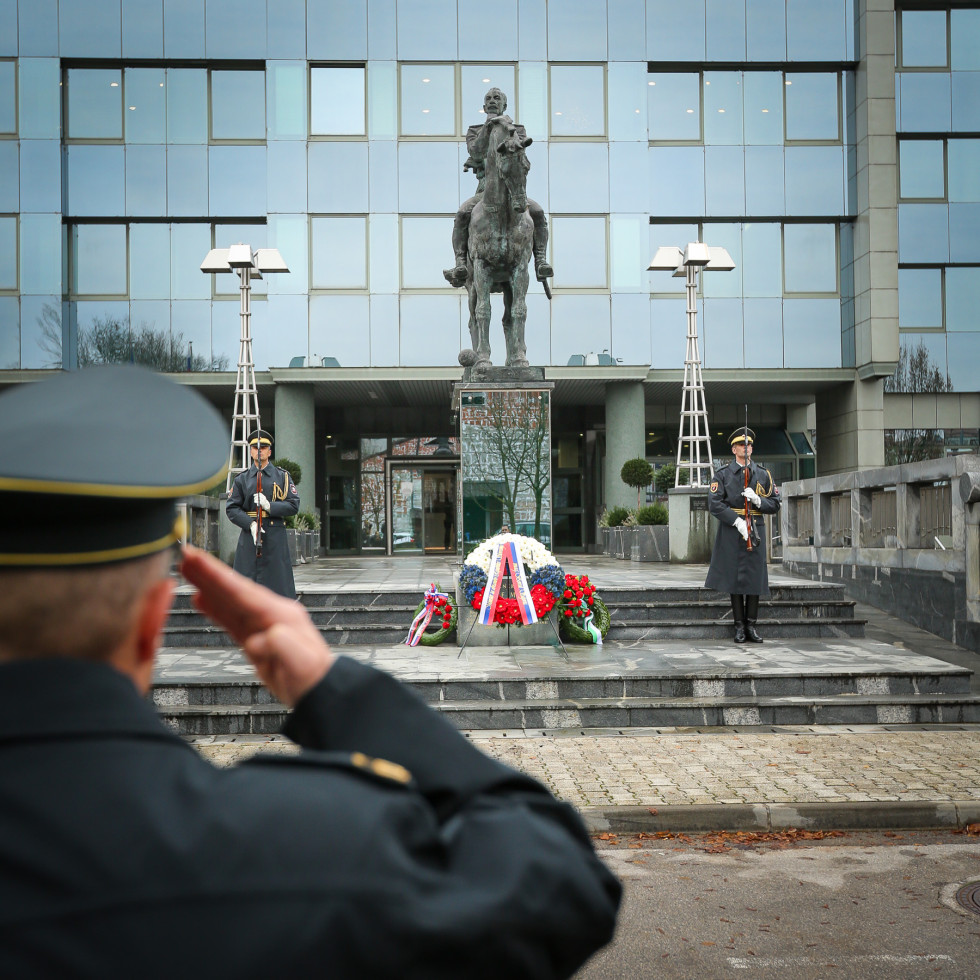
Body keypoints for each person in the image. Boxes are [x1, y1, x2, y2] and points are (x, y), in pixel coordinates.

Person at [0, 365, 620, 977]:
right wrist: (335, 689)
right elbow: (562, 882)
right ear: (152, 622)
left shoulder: (279, 478)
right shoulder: (297, 843)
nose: (263, 450)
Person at [444, 87, 554, 288]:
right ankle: (460, 264)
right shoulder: (475, 130)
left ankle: (540, 260)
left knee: (537, 212)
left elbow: (518, 152)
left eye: (497, 98)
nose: (493, 100)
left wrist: (506, 127)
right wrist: (489, 127)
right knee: (462, 214)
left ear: (505, 105)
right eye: (489, 98)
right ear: (484, 106)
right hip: (485, 191)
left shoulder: (517, 129)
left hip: (512, 189)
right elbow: (476, 152)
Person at [705, 427, 781, 643]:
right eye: (741, 445)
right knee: (735, 579)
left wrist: (758, 500)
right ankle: (738, 626)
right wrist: (736, 521)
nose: (746, 448)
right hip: (732, 530)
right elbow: (714, 503)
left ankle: (751, 626)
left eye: (748, 445)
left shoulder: (763, 474)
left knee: (754, 578)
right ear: (734, 449)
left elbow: (775, 503)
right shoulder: (723, 475)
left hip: (755, 528)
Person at [226, 428, 299, 599]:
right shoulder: (242, 479)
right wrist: (250, 524)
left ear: (270, 451)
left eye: (264, 447)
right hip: (249, 536)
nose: (260, 450)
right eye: (256, 447)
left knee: (277, 587)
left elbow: (293, 505)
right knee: (245, 588)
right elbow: (232, 508)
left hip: (274, 536)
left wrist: (269, 506)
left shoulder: (282, 477)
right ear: (250, 451)